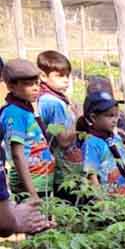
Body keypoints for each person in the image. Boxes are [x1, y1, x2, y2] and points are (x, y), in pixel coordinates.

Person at [1, 59, 54, 201]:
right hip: (30, 186)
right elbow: (17, 154)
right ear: (11, 86)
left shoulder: (25, 109)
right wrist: (32, 194)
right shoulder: (15, 113)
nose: (36, 88)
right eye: (28, 84)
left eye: (37, 83)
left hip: (41, 182)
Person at [36, 50, 82, 200]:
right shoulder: (54, 103)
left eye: (67, 75)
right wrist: (78, 119)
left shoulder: (43, 98)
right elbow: (63, 140)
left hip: (54, 170)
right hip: (63, 173)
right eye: (60, 75)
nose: (66, 80)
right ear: (43, 76)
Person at [80, 90, 125, 196]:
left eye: (116, 115)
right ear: (93, 117)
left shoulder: (116, 139)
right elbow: (92, 176)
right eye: (110, 116)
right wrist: (102, 204)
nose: (115, 120)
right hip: (108, 202)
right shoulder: (91, 143)